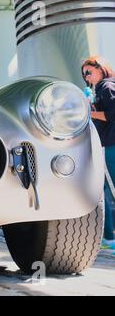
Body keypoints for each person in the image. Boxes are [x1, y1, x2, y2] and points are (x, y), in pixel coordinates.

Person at [81, 55, 115, 250]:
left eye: (89, 72)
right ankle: (108, 237)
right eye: (84, 74)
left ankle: (108, 239)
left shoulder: (106, 87)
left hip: (110, 145)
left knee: (107, 189)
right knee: (101, 190)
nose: (86, 77)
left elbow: (112, 114)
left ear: (101, 69)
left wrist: (87, 110)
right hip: (108, 144)